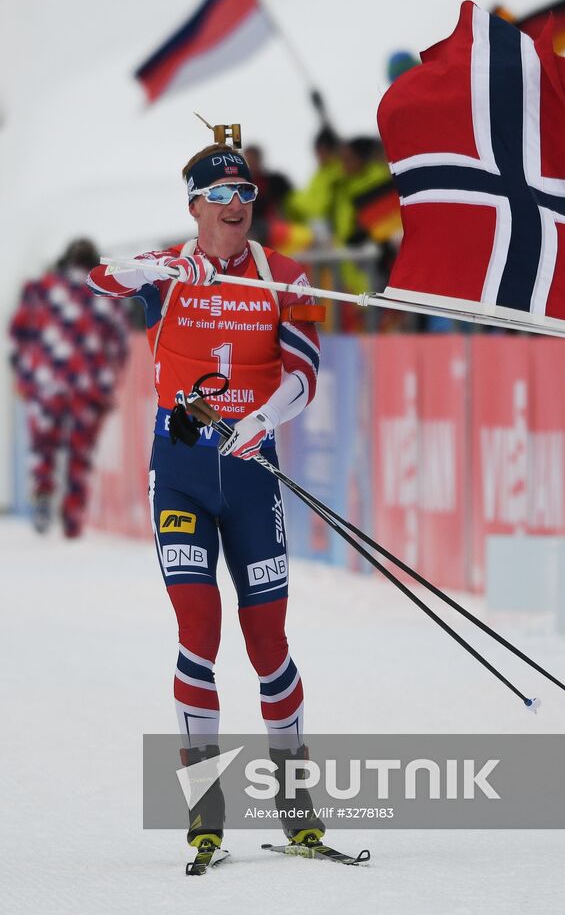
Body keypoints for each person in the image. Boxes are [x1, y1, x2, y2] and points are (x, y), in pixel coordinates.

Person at [87, 134, 326, 866]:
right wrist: (164, 266)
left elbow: (306, 373)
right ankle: (205, 811)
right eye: (218, 196)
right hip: (182, 473)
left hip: (252, 472)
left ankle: (295, 806)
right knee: (199, 628)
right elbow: (102, 279)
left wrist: (259, 422)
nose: (234, 207)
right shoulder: (168, 269)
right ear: (193, 205)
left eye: (244, 194)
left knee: (269, 644)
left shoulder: (284, 274)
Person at [9, 238, 129, 537]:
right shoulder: (107, 296)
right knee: (80, 457)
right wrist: (109, 382)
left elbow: (18, 333)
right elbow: (120, 346)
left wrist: (23, 374)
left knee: (42, 448)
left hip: (46, 383)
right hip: (88, 388)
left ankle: (42, 493)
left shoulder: (40, 289)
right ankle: (72, 520)